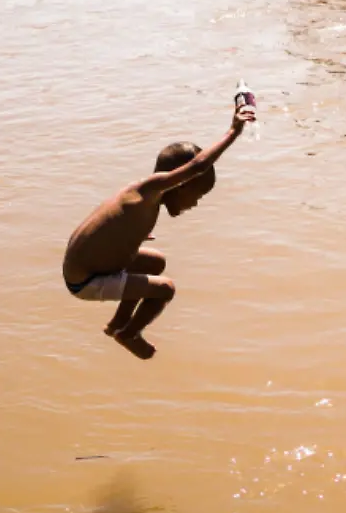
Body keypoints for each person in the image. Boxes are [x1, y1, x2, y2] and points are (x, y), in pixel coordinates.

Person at [63, 100, 255, 359]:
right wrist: (233, 131)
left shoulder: (141, 196)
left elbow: (108, 225)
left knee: (155, 262)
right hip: (87, 281)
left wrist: (131, 235)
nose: (195, 204)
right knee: (165, 289)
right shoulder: (151, 189)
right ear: (180, 183)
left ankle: (117, 324)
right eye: (195, 196)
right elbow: (198, 166)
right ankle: (129, 333)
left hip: (88, 268)